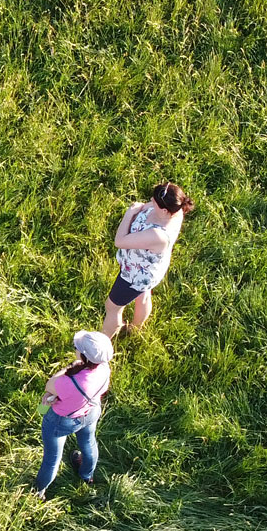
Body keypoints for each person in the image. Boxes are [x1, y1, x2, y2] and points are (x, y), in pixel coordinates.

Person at [102, 182, 195, 338]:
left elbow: (119, 241)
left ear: (165, 210)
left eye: (154, 202)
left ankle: (102, 342)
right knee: (143, 295)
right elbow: (150, 206)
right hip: (148, 267)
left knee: (112, 307)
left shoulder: (158, 235)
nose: (151, 201)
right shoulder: (175, 209)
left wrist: (129, 214)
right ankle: (136, 329)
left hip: (134, 275)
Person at [35, 330, 113, 497]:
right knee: (89, 443)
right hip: (91, 413)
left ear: (83, 356)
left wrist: (68, 368)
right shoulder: (105, 368)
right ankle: (86, 475)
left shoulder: (69, 382)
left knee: (52, 459)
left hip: (61, 421)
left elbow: (49, 385)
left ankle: (39, 491)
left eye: (76, 347)